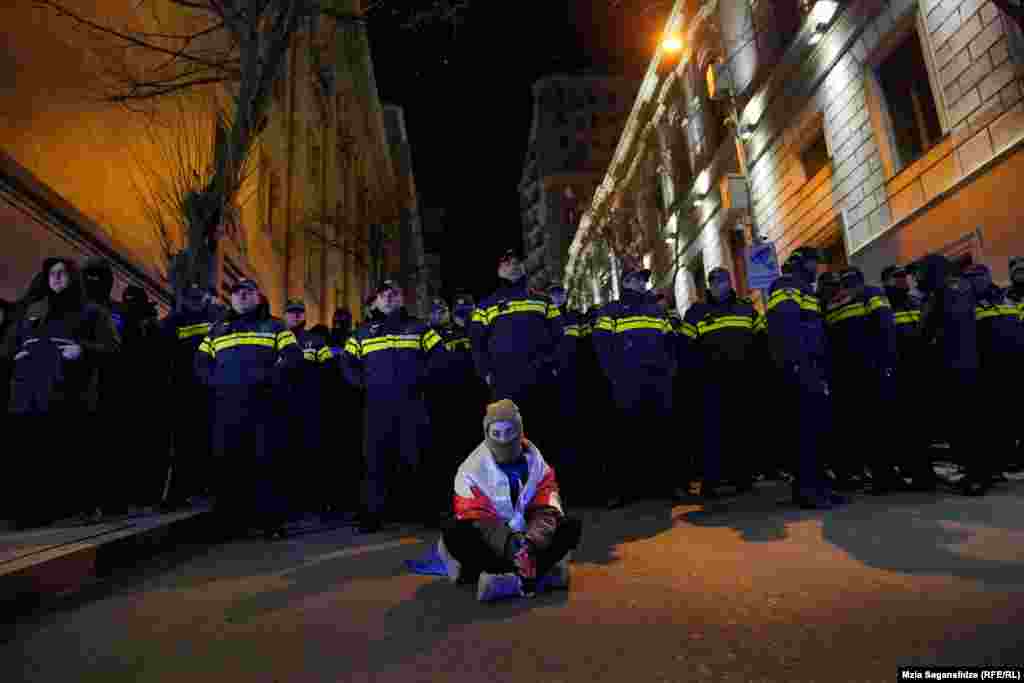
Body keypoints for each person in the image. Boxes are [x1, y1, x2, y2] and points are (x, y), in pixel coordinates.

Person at [2, 258, 120, 528]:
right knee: (28, 457)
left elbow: (113, 347)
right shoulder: (33, 310)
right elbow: (8, 344)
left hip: (68, 397)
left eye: (63, 273)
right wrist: (13, 355)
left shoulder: (91, 312)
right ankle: (27, 512)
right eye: (52, 273)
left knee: (60, 456)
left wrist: (83, 350)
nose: (56, 278)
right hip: (28, 396)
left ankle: (62, 510)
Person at [436, 399, 581, 602]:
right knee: (455, 531)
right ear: (487, 434)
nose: (503, 440)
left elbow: (546, 508)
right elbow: (478, 520)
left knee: (571, 525)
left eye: (509, 432)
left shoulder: (537, 463)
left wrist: (531, 542)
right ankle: (538, 575)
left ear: (520, 431)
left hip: (530, 539)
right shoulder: (470, 470)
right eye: (496, 434)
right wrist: (513, 546)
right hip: (495, 541)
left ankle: (506, 580)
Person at [195, 278, 302, 539]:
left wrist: (270, 379)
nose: (242, 296)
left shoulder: (275, 325)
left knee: (267, 464)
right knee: (228, 464)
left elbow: (293, 356)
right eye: (237, 292)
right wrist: (217, 382)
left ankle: (271, 523)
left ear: (258, 297)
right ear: (231, 298)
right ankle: (230, 523)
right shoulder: (218, 329)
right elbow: (200, 363)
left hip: (264, 406)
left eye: (248, 292)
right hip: (227, 407)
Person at [340, 279, 445, 532]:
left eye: (394, 293)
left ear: (401, 299)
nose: (388, 297)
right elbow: (346, 364)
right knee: (375, 461)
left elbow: (440, 355)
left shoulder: (418, 328)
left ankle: (428, 513)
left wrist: (421, 378)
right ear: (375, 300)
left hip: (413, 403)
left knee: (419, 457)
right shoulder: (362, 333)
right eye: (383, 294)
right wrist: (365, 384)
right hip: (377, 406)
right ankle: (372, 516)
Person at [591, 258, 676, 507]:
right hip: (627, 383)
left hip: (657, 381)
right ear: (627, 282)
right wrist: (615, 375)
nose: (643, 283)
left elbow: (670, 342)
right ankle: (625, 490)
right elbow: (602, 345)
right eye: (638, 278)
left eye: (644, 279)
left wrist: (669, 370)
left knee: (660, 434)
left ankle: (663, 486)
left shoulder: (656, 310)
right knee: (625, 436)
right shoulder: (612, 310)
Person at [765, 247, 840, 509]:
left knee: (816, 429)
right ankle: (810, 490)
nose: (817, 268)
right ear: (802, 263)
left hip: (810, 366)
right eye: (814, 263)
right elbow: (786, 326)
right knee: (807, 431)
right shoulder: (787, 285)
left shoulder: (804, 287)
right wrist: (796, 364)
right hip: (801, 367)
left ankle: (817, 486)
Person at [470, 249, 563, 460]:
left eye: (517, 262)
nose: (513, 266)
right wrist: (486, 374)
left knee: (546, 437)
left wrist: (555, 367)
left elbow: (560, 336)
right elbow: (476, 344)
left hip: (541, 380)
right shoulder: (486, 305)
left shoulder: (543, 300)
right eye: (507, 262)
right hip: (505, 383)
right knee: (508, 440)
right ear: (499, 269)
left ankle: (547, 487)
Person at [679, 267, 759, 498]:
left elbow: (759, 340)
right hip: (710, 384)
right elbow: (685, 348)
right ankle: (711, 481)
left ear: (730, 282)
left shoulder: (745, 309)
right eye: (716, 282)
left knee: (740, 431)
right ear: (709, 285)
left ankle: (742, 477)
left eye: (724, 281)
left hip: (742, 381)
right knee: (712, 434)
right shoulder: (697, 312)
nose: (720, 285)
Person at [913, 254, 986, 495]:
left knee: (960, 422)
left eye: (920, 274)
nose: (917, 279)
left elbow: (927, 329)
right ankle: (977, 472)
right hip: (967, 363)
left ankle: (974, 476)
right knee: (970, 421)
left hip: (951, 365)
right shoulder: (963, 287)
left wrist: (924, 344)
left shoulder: (943, 291)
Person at [159, 284, 219, 509]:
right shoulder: (210, 318)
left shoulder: (174, 319)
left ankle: (182, 493)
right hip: (192, 389)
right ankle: (187, 492)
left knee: (187, 443)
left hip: (189, 389)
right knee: (191, 442)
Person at [283, 299, 330, 519]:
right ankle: (290, 501)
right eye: (291, 313)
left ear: (304, 316)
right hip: (283, 407)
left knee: (311, 453)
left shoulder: (316, 341)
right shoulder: (278, 339)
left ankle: (312, 501)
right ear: (285, 316)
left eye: (298, 313)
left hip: (310, 406)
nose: (295, 317)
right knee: (286, 454)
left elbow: (329, 369)